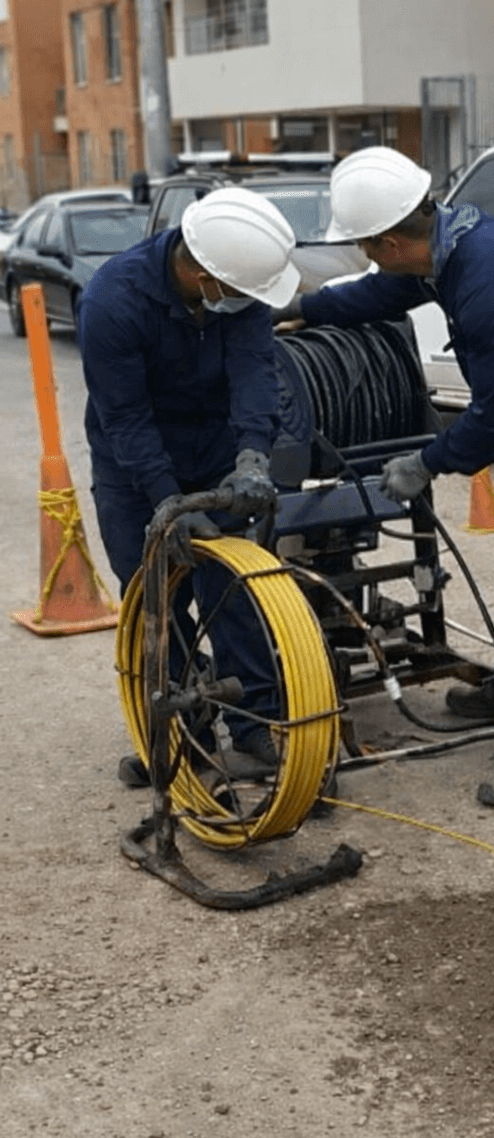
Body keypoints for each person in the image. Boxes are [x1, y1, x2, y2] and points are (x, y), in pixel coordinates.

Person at [280, 146, 494, 807]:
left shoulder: (485, 278)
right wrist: (301, 311)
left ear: (389, 237)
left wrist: (424, 464)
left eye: (364, 245)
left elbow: (492, 420)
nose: (366, 255)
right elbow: (383, 292)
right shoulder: (440, 248)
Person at [79, 186, 301, 778]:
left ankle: (258, 726)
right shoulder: (112, 301)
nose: (251, 300)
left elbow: (254, 371)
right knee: (158, 600)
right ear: (200, 273)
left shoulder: (237, 290)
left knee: (236, 592)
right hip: (135, 472)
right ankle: (184, 732)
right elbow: (124, 417)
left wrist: (253, 454)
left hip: (217, 458)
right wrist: (166, 500)